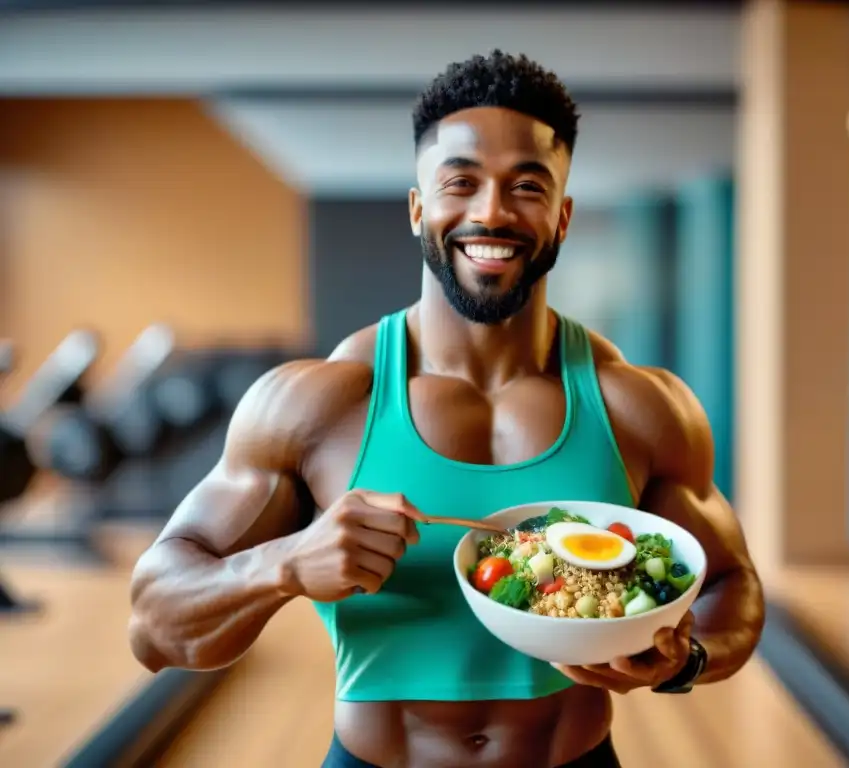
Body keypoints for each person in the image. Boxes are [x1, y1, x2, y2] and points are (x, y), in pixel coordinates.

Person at [128, 50, 766, 768]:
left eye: (527, 186)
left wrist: (685, 661)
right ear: (418, 207)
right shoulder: (319, 403)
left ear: (562, 217)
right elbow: (154, 625)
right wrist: (285, 564)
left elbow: (731, 582)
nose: (491, 210)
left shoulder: (640, 405)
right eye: (461, 181)